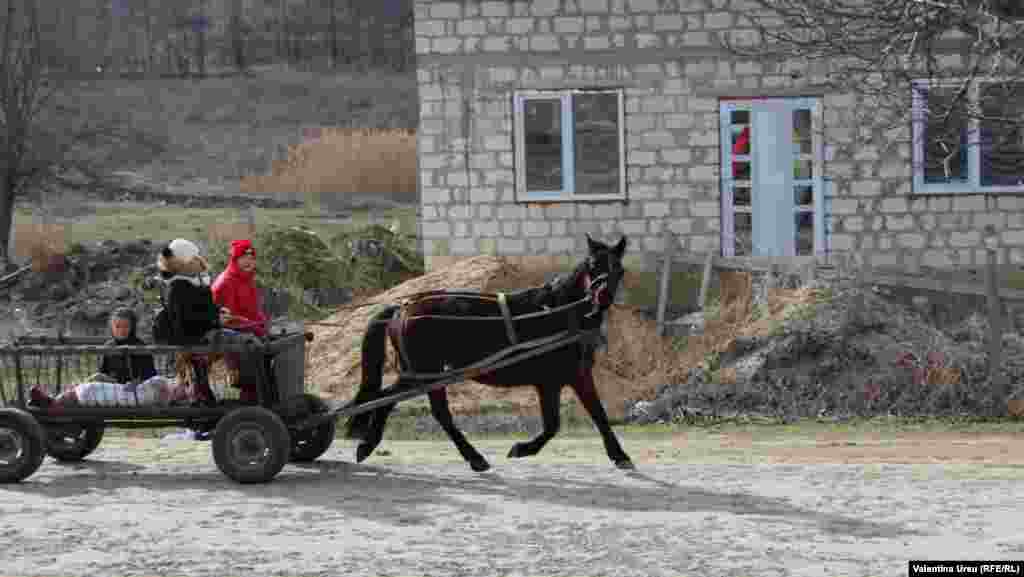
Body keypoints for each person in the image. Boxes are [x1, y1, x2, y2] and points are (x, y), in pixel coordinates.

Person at [158, 238, 265, 405]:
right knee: (248, 343)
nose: (199, 261)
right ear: (182, 263)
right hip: (197, 338)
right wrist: (216, 319)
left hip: (207, 332)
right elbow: (187, 320)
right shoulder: (178, 288)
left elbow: (204, 309)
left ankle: (250, 391)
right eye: (194, 258)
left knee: (251, 339)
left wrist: (218, 312)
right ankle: (251, 391)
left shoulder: (193, 282)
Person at [29, 307, 182, 408]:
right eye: (117, 326)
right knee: (95, 378)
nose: (121, 330)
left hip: (134, 388)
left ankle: (55, 402)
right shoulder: (110, 345)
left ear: (132, 328)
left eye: (125, 327)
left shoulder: (139, 346)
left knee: (93, 380)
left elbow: (150, 375)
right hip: (115, 386)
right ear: (112, 327)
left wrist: (136, 382)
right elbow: (105, 373)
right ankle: (56, 400)